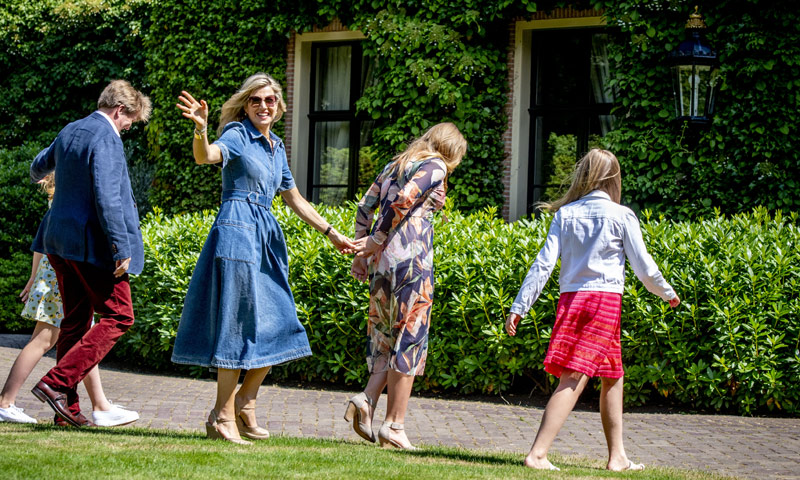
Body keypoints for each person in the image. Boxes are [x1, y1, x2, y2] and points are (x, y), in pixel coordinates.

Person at [170, 73, 356, 445]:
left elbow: (294, 198)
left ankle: (245, 402)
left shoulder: (276, 147)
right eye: (255, 100)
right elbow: (207, 156)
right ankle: (223, 415)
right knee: (236, 323)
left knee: (280, 320)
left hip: (266, 236)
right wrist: (201, 131)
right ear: (246, 105)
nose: (263, 106)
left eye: (270, 100)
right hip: (237, 228)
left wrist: (332, 233)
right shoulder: (238, 134)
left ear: (279, 106)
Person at [505, 149, 681, 471]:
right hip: (604, 302)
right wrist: (667, 292)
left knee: (613, 375)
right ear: (614, 178)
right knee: (574, 377)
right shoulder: (622, 215)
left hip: (572, 300)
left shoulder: (566, 214)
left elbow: (543, 265)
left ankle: (618, 457)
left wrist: (519, 305)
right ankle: (538, 454)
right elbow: (644, 268)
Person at [28, 80, 151, 428]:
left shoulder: (70, 130)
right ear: (119, 111)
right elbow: (108, 198)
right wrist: (120, 247)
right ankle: (56, 382)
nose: (127, 129)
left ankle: (67, 412)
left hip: (58, 243)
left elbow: (38, 167)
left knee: (76, 321)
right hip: (92, 245)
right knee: (120, 316)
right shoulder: (106, 137)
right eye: (130, 122)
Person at [346, 122, 467, 450]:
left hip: (383, 262)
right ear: (451, 152)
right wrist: (376, 238)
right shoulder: (436, 165)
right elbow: (406, 197)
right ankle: (394, 426)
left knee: (387, 338)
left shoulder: (395, 164)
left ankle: (367, 399)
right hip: (411, 260)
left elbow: (364, 207)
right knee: (410, 337)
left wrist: (363, 252)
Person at [0, 175, 139, 427]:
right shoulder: (68, 202)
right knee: (44, 339)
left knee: (82, 338)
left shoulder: (60, 201)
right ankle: (6, 402)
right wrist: (34, 278)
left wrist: (34, 277)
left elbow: (42, 240)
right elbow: (41, 242)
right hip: (59, 273)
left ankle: (95, 405)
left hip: (52, 271)